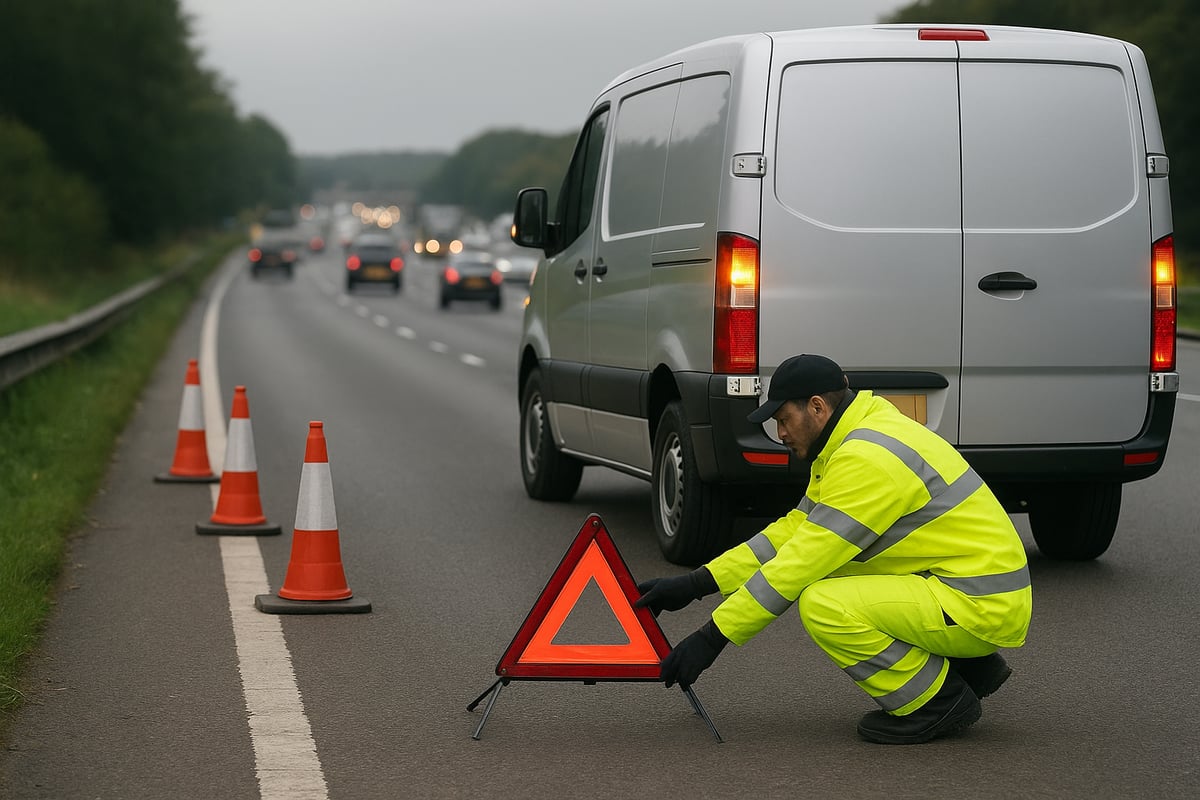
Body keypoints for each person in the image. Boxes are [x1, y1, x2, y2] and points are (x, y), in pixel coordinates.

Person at [636, 353, 1032, 745]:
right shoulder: (857, 436)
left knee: (824, 603)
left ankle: (936, 702)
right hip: (969, 588)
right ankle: (970, 666)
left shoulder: (866, 460)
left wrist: (712, 637)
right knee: (841, 564)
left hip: (979, 604)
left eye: (784, 419)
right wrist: (698, 583)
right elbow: (793, 533)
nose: (780, 433)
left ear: (817, 407)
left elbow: (798, 565)